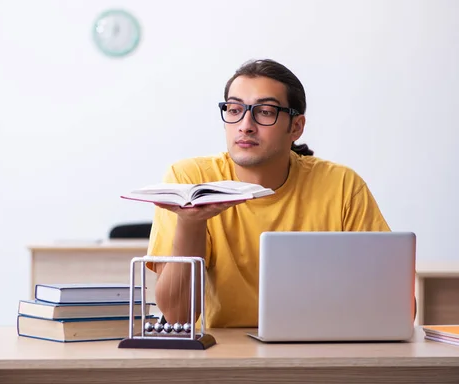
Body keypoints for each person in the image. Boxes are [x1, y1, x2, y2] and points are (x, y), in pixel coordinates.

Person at [146, 58, 390, 329]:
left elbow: (395, 306)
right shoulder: (190, 182)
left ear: (296, 127)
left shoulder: (342, 185)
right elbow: (178, 317)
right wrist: (191, 222)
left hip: (320, 349)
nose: (245, 125)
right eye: (234, 109)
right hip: (225, 356)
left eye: (264, 112)